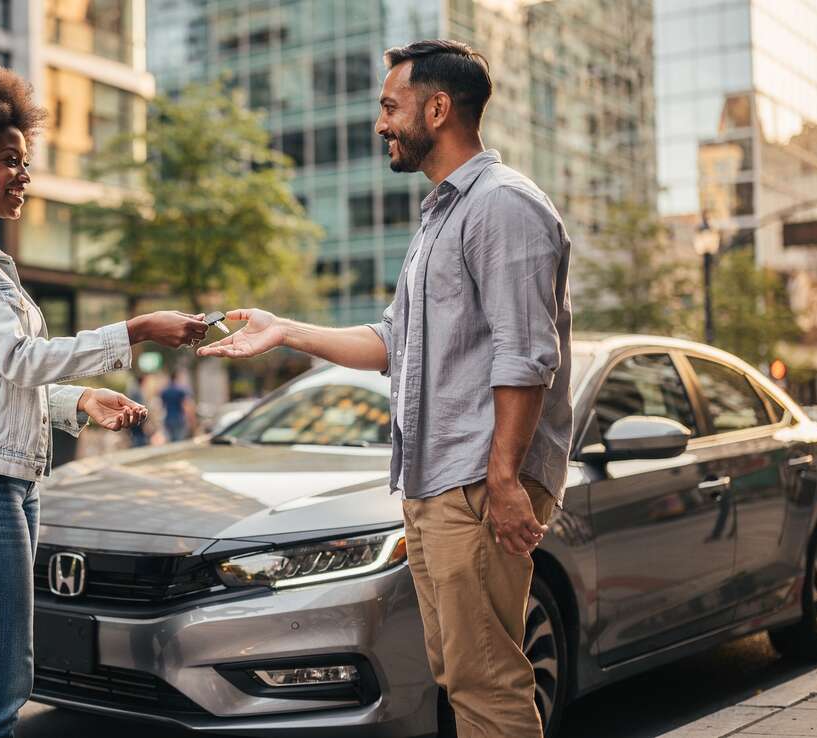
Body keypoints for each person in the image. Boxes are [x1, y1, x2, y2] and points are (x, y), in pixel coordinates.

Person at [200, 40, 573, 738]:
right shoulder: (442, 215)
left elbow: (527, 355)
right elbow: (391, 345)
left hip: (475, 485)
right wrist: (285, 330)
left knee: (488, 681)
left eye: (389, 106)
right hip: (434, 485)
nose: (381, 124)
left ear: (438, 108)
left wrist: (503, 479)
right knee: (461, 677)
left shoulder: (503, 206)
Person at [0, 64, 208, 738]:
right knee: (3, 678)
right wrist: (136, 329)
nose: (23, 175)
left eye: (25, 161)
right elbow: (18, 358)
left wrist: (78, 400)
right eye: (9, 161)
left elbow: (1, 375)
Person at [159, 370, 196, 442]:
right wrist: (191, 418)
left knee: (170, 440)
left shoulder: (165, 391)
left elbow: (162, 405)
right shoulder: (180, 390)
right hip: (178, 417)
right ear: (176, 378)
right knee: (178, 439)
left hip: (168, 418)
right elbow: (185, 404)